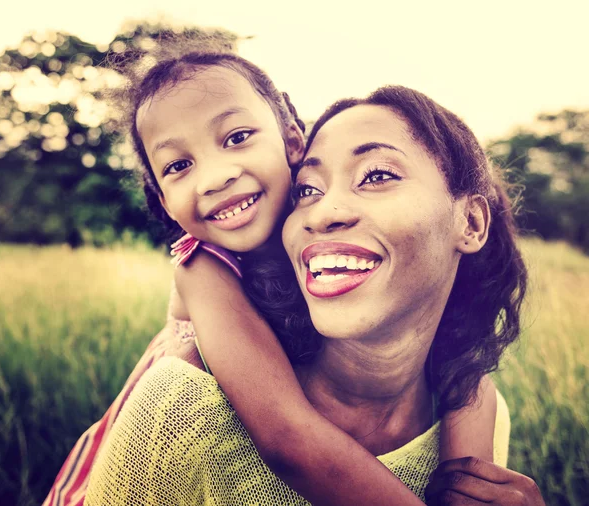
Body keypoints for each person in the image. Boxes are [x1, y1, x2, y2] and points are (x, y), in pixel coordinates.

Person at [43, 42, 505, 506]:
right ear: (164, 201)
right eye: (179, 166)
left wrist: (469, 481)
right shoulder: (203, 267)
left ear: (291, 141)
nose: (215, 177)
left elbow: (466, 373)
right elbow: (287, 435)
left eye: (236, 137)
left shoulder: (318, 224)